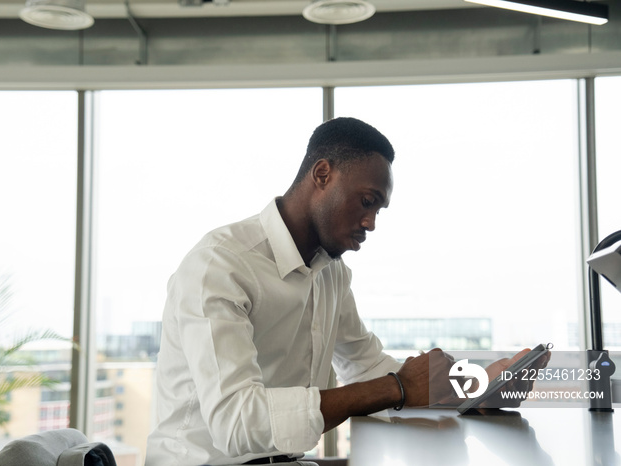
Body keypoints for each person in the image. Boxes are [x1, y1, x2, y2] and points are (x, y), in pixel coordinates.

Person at [145, 117, 544, 466]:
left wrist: (472, 387)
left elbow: (366, 364)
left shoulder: (331, 272)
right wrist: (398, 388)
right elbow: (237, 422)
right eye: (367, 202)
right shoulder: (220, 265)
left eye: (379, 210)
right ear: (322, 175)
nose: (370, 223)